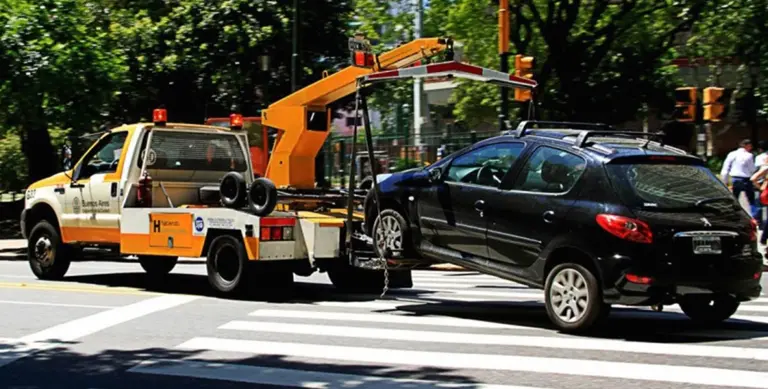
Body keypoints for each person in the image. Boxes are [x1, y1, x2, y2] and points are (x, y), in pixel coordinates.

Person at [721, 139, 758, 219]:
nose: (750, 148)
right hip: (746, 179)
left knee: (735, 199)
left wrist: (725, 180)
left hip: (735, 178)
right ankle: (755, 218)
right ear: (746, 146)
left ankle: (733, 216)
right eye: (750, 146)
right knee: (751, 200)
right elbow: (752, 169)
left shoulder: (732, 154)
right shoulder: (749, 155)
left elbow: (725, 168)